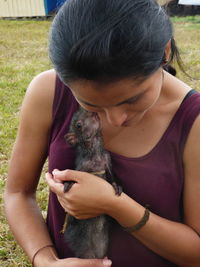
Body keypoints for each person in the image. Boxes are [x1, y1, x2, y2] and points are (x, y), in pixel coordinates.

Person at [4, 0, 200, 266]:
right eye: (92, 105)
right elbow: (18, 193)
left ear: (164, 52)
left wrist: (116, 205)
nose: (115, 119)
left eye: (132, 99)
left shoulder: (193, 121)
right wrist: (45, 260)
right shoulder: (48, 91)